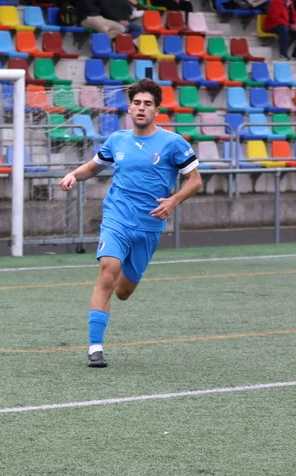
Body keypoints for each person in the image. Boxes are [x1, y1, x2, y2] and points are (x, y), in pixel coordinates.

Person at [58, 78, 202, 368]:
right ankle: (95, 348)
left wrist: (173, 201)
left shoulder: (173, 143)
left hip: (148, 226)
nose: (141, 108)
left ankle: (119, 287)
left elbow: (195, 181)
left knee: (123, 292)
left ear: (156, 110)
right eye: (137, 103)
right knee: (107, 273)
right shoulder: (117, 140)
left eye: (147, 104)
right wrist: (73, 174)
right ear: (129, 108)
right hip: (117, 218)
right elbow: (93, 167)